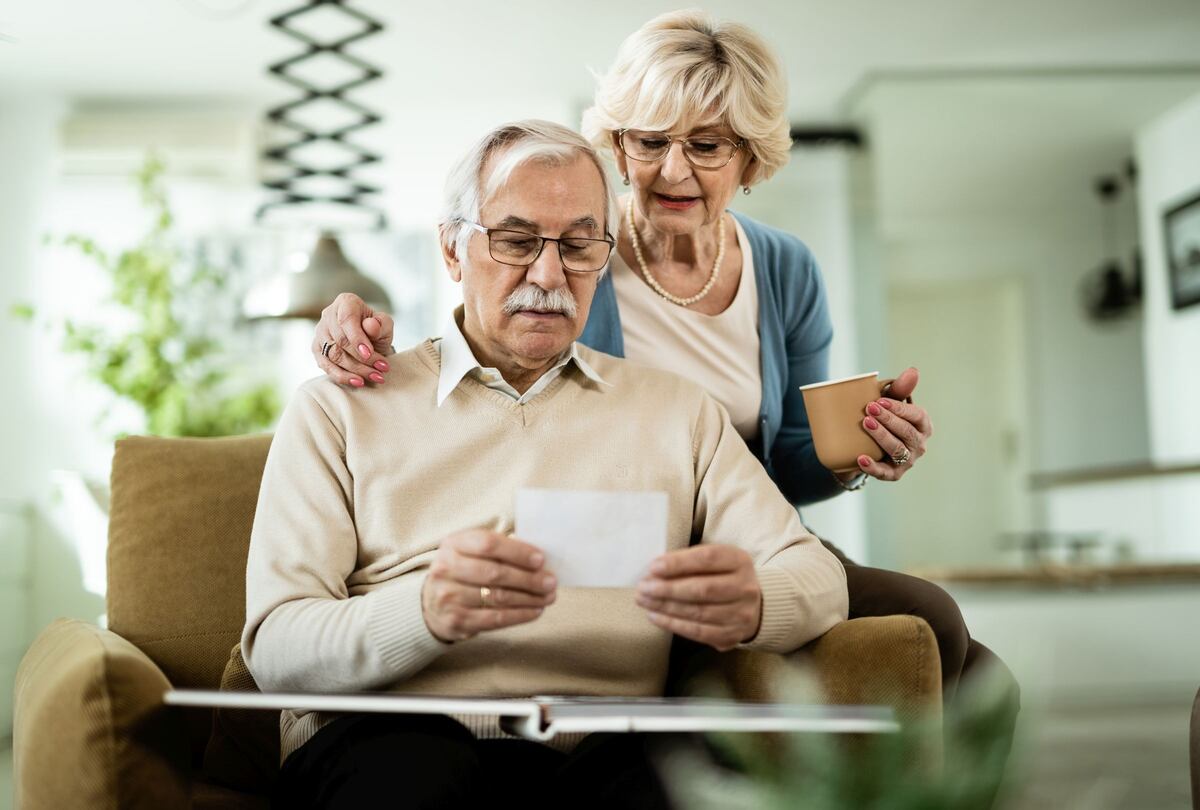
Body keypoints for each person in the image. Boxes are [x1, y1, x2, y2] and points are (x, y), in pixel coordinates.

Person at [309, 9, 1019, 736]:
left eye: (707, 145)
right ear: (618, 146)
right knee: (935, 624)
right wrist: (347, 324)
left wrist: (860, 451)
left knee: (972, 661)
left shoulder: (785, 269)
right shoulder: (576, 249)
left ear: (750, 157)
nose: (673, 170)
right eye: (650, 142)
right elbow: (477, 343)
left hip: (738, 533)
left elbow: (791, 466)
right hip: (616, 543)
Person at [244, 120, 848, 810]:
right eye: (517, 240)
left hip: (610, 743)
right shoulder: (339, 410)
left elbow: (819, 580)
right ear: (451, 248)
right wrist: (423, 611)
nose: (549, 274)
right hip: (389, 734)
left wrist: (756, 604)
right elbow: (277, 646)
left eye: (578, 245)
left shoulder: (678, 412)